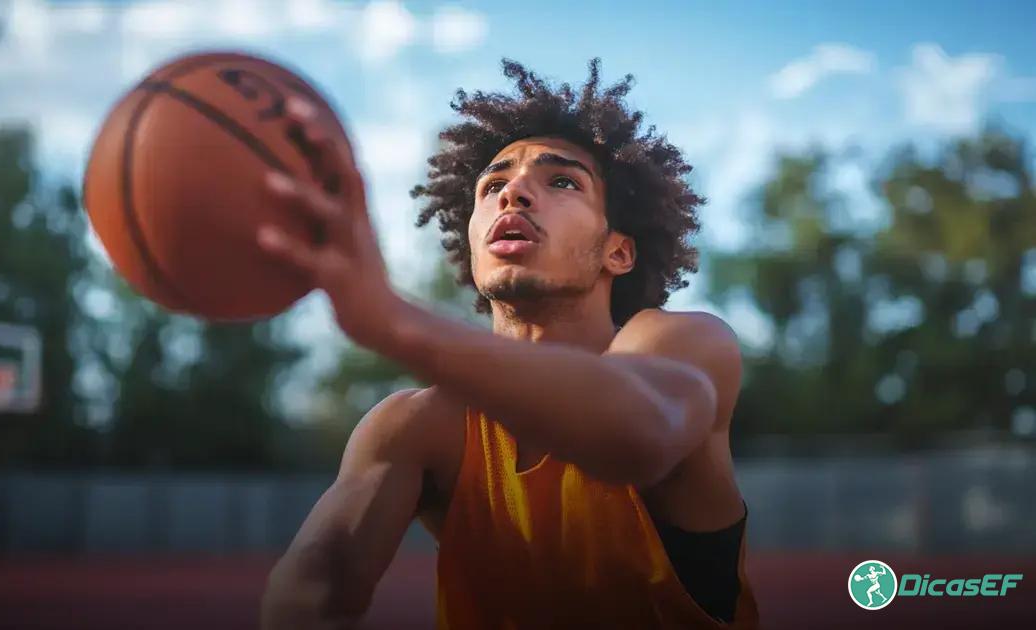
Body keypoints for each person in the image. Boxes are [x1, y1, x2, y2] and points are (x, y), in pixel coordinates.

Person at [257, 58, 759, 629]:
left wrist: (393, 320)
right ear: (471, 243)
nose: (514, 193)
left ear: (617, 251)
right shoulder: (415, 426)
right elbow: (313, 587)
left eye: (562, 181)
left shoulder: (686, 342)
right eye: (492, 186)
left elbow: (635, 435)